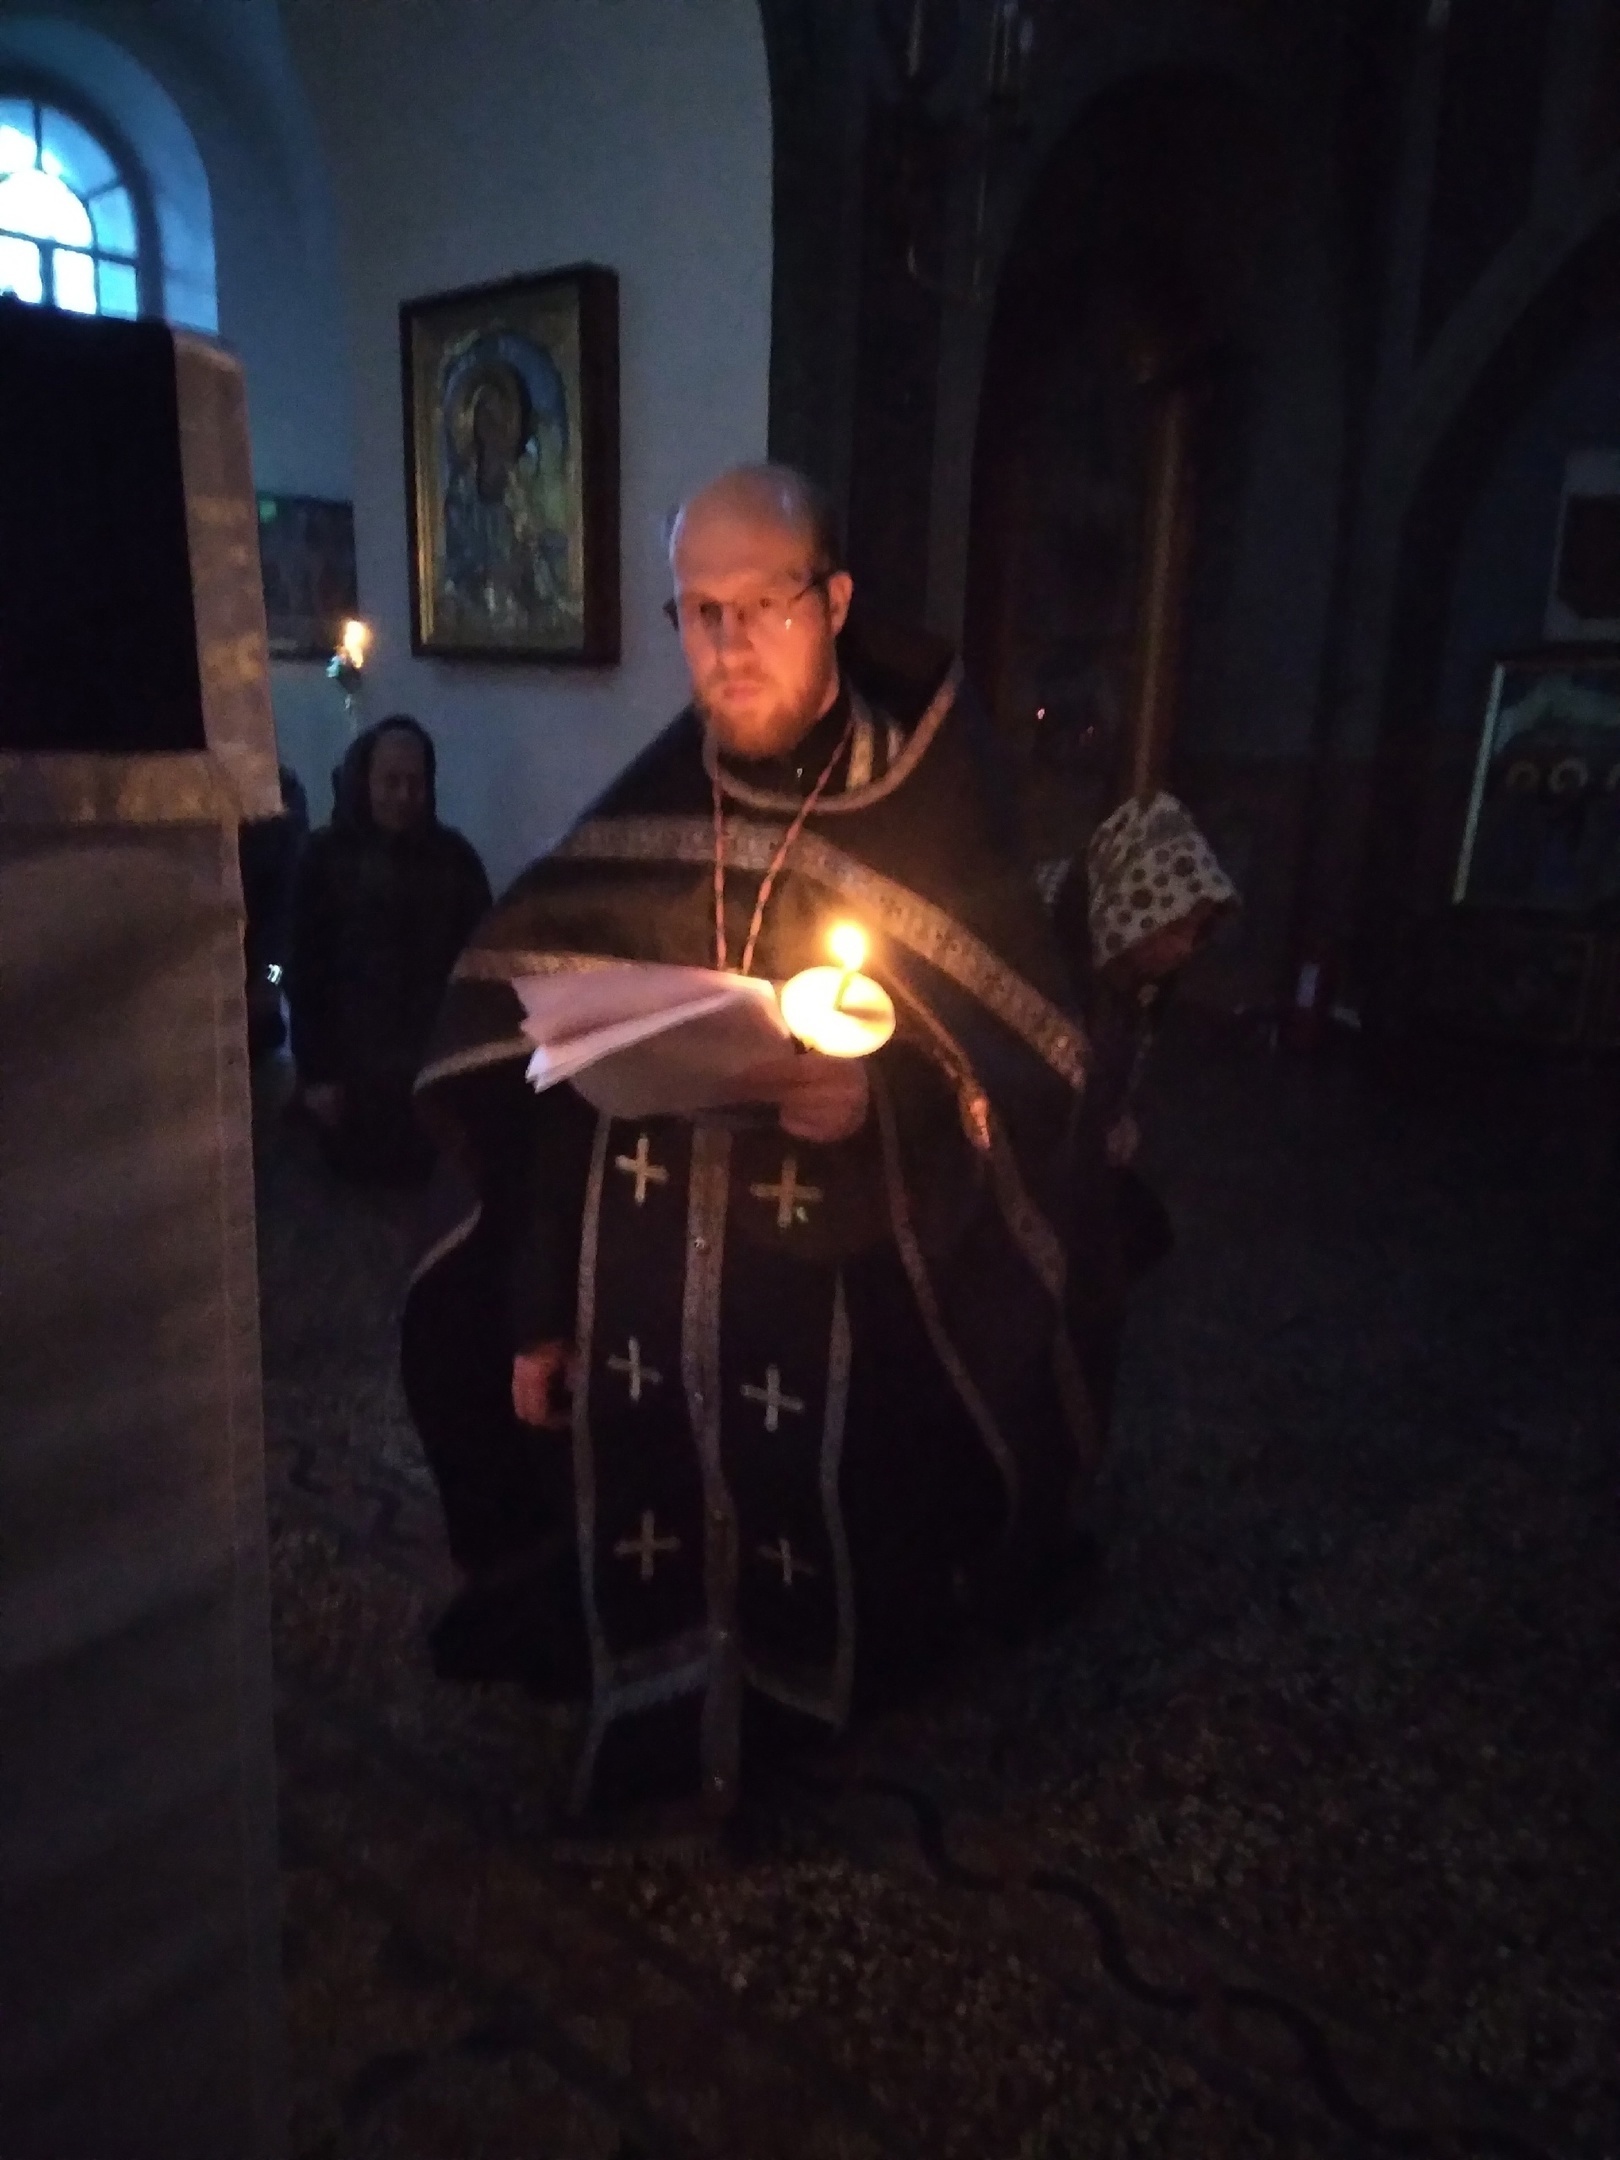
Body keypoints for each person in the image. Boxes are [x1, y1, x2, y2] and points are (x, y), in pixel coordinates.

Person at [402, 464, 1111, 1822]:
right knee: (644, 1500)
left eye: (762, 605)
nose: (726, 644)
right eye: (699, 611)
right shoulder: (647, 811)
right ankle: (659, 1677)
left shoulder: (933, 811)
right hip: (641, 1287)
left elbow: (1026, 1072)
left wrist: (879, 1104)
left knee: (829, 1520)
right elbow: (534, 1081)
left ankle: (807, 1682)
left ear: (833, 603)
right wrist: (539, 1312)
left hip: (844, 1278)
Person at [288, 715, 490, 1181]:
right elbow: (306, 972)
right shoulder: (322, 860)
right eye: (391, 782)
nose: (404, 796)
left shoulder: (456, 861)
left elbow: (477, 968)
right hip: (350, 1082)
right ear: (365, 781)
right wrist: (316, 1074)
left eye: (415, 783)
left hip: (427, 1077)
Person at [1051, 789, 1239, 1289]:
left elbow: (1116, 1060)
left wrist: (1117, 1118)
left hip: (1082, 1147)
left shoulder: (1140, 974)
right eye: (1173, 929)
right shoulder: (1048, 955)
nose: (1185, 949)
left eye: (1197, 931)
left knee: (1144, 1234)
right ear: (1130, 909)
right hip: (1023, 1151)